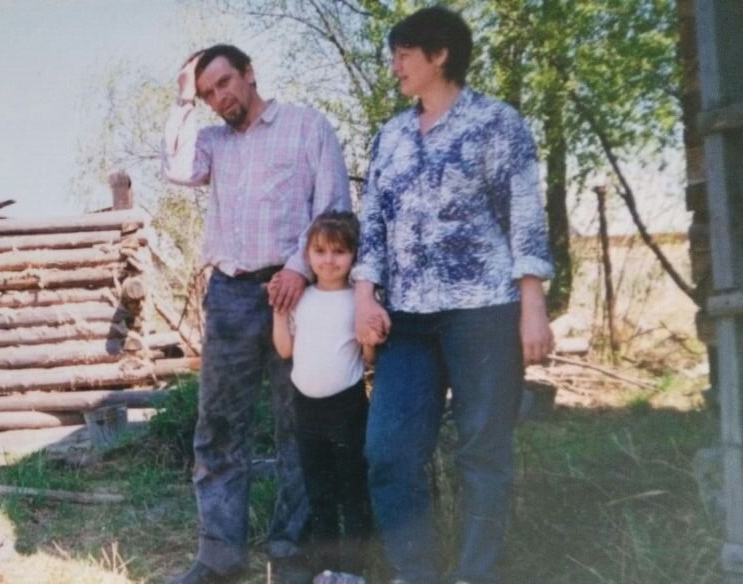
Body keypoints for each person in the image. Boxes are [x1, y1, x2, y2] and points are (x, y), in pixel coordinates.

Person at [351, 7, 555, 584]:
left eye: (403, 54)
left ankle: (475, 574)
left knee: (483, 455)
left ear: (439, 54)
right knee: (388, 452)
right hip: (408, 320)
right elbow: (373, 225)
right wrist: (365, 297)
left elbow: (525, 220)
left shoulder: (498, 124)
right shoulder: (389, 136)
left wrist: (532, 307)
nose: (395, 66)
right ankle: (415, 572)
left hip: (485, 313)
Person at [161, 44, 352, 584]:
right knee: (219, 427)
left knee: (300, 426)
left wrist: (297, 268)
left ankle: (292, 552)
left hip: (299, 293)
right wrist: (181, 100)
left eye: (225, 83)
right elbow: (175, 169)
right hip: (229, 297)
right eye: (207, 93)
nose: (219, 98)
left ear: (249, 74)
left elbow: (335, 207)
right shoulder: (212, 144)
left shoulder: (306, 126)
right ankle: (218, 557)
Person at [271, 210, 374, 581]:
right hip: (306, 409)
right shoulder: (302, 299)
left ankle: (356, 569)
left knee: (351, 487)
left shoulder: (358, 300)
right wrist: (280, 315)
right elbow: (285, 351)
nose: (329, 260)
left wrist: (371, 341)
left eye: (339, 252)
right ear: (308, 254)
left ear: (353, 257)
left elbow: (367, 357)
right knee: (319, 491)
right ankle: (327, 569)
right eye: (320, 251)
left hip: (347, 408)